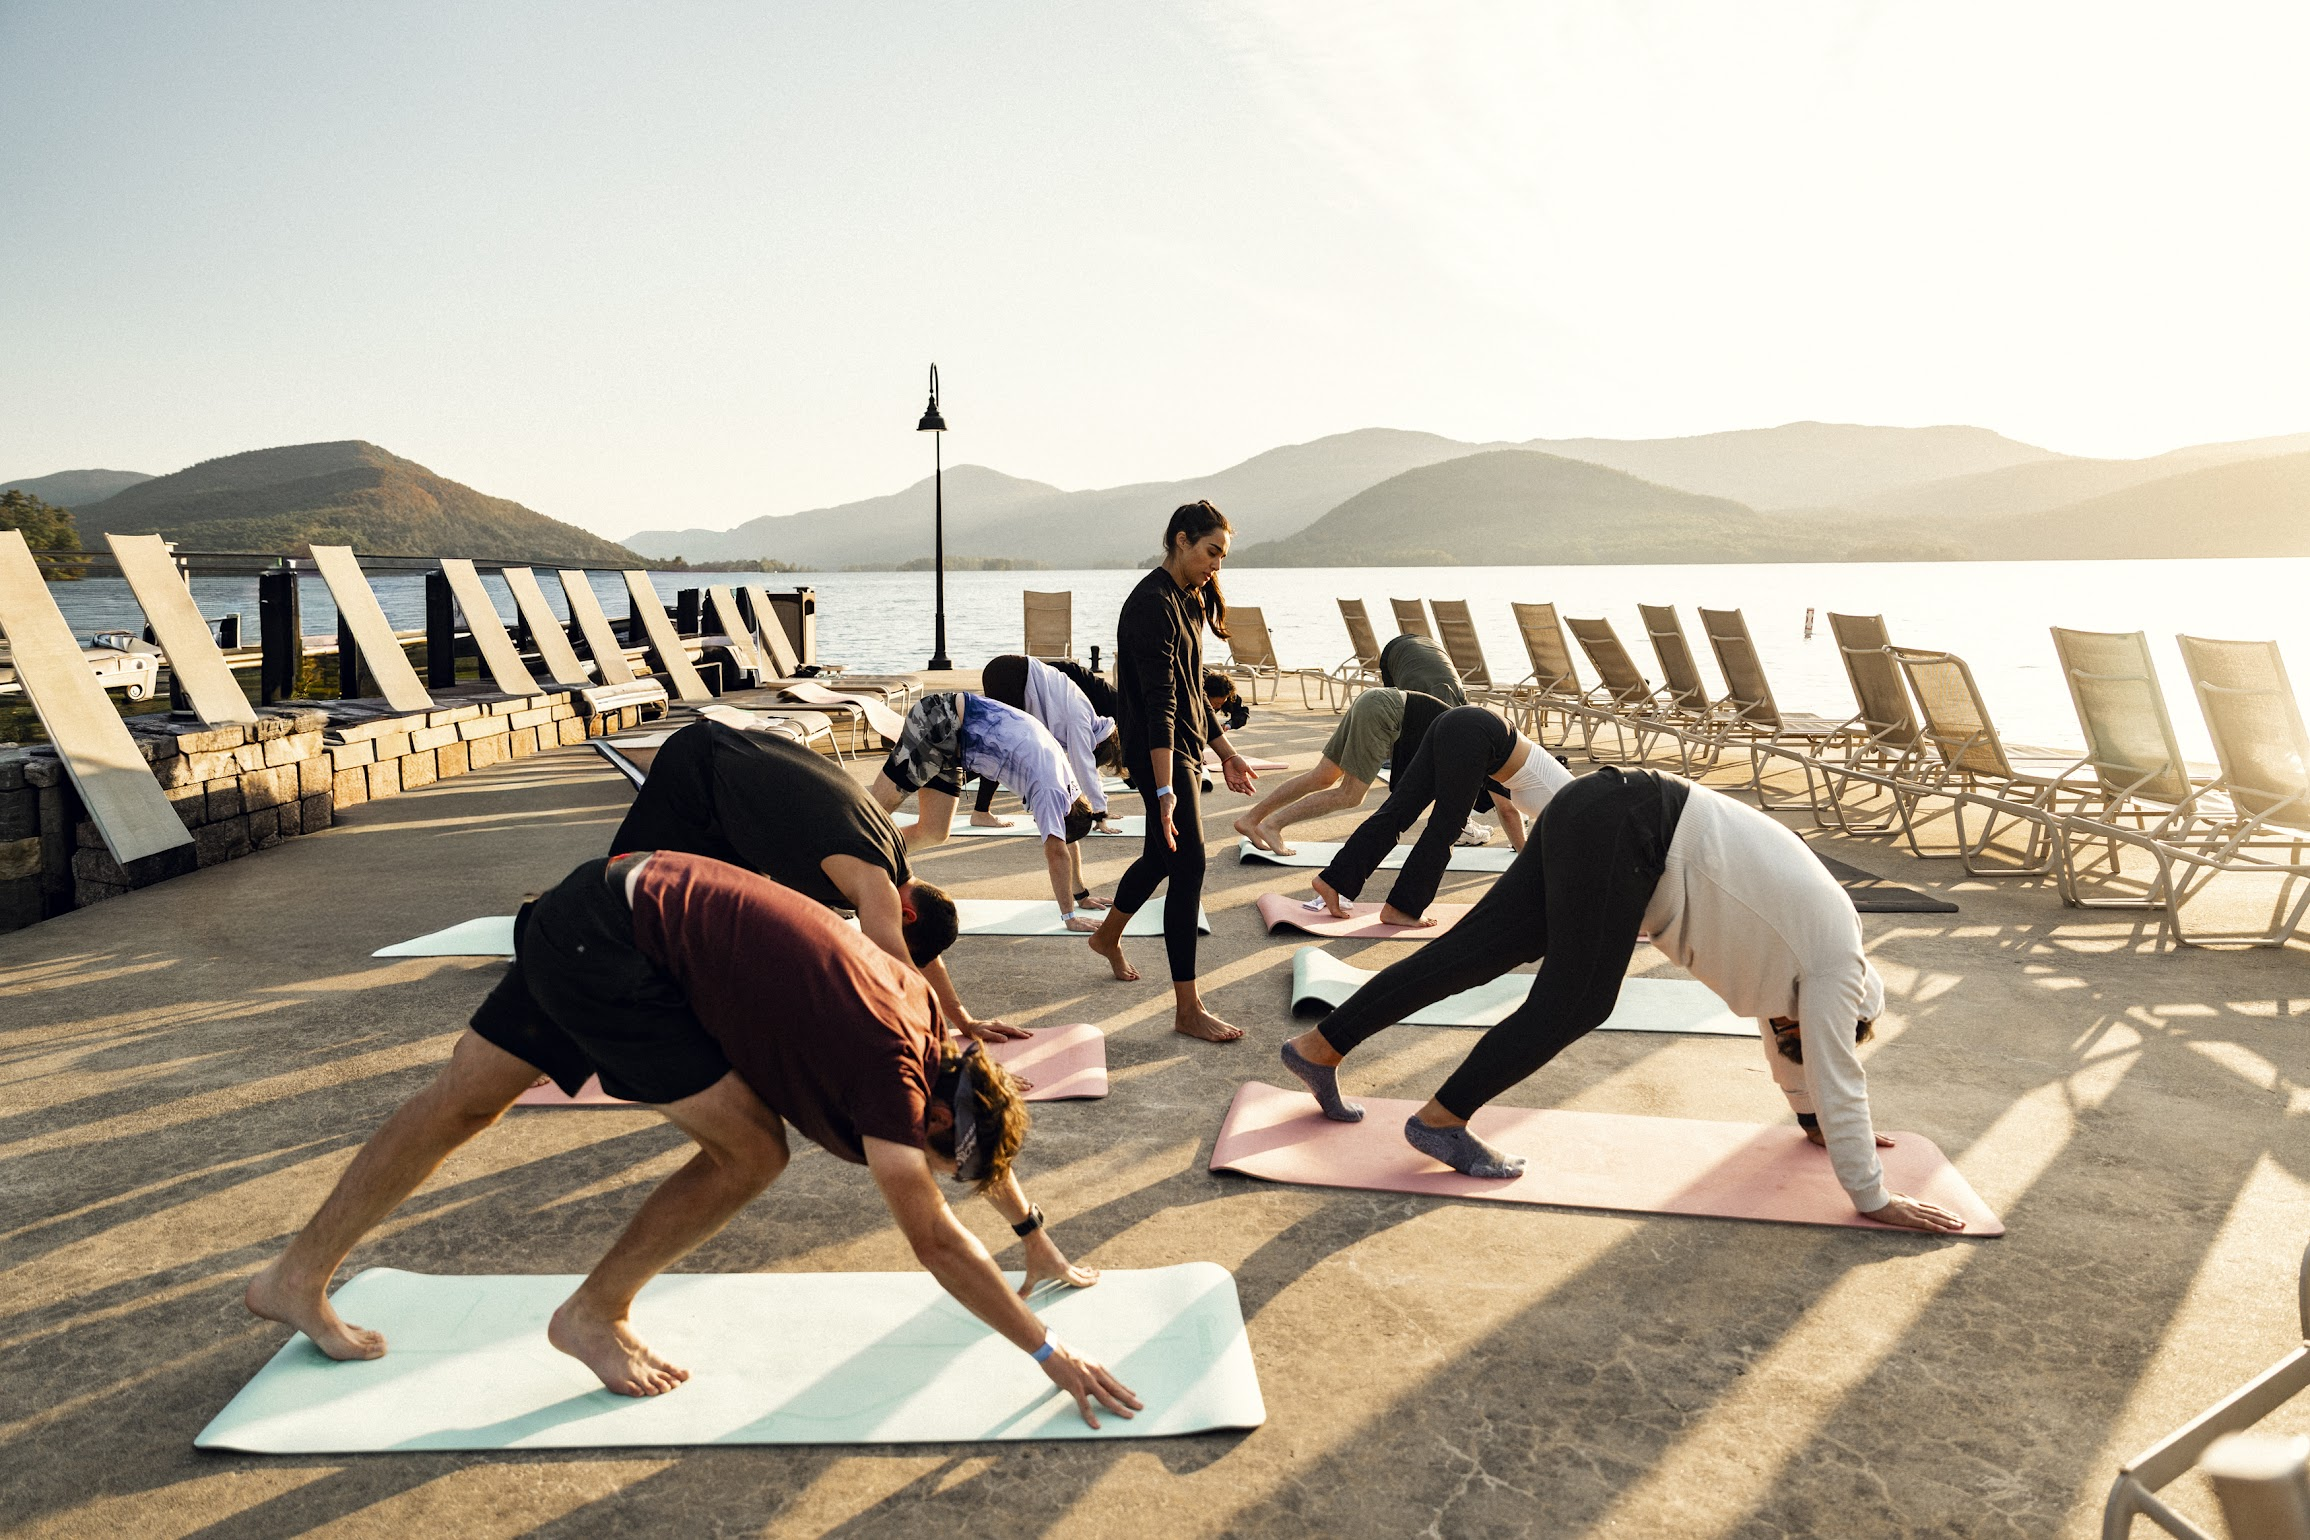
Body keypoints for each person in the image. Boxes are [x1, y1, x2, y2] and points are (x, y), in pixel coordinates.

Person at [246, 851, 1144, 1422]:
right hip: (621, 949)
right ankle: (592, 1314)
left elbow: (980, 1147)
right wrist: (1047, 1351)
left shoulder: (931, 1041)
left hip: (607, 902)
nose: (928, 1167)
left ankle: (292, 1278)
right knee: (752, 1151)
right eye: (937, 1155)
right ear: (935, 1116)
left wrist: (1038, 1242)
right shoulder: (890, 1075)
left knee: (461, 1104)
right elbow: (935, 1241)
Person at [1278, 768, 1967, 1233]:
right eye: (1806, 1031)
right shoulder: (1834, 967)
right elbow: (1835, 1065)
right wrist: (1871, 1195)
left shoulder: (1802, 963)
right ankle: (1442, 1120)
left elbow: (1799, 1054)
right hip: (1631, 825)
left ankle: (1320, 1046)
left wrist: (1811, 1121)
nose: (1788, 1031)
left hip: (1606, 805)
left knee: (1475, 953)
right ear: (1844, 1016)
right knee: (1578, 999)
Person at [608, 719, 1022, 1041]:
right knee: (620, 893)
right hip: (700, 770)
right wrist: (950, 1058)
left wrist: (963, 1020)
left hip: (730, 793)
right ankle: (546, 1031)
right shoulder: (875, 884)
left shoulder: (891, 856)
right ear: (907, 913)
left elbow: (916, 955)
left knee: (737, 929)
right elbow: (901, 968)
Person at [1087, 500, 1258, 1041]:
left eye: (1223, 557)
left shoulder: (1185, 600)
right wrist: (1163, 790)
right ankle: (1188, 1009)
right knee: (1189, 865)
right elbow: (1161, 702)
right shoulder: (1150, 606)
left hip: (1182, 744)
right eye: (1212, 553)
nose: (1217, 567)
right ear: (1181, 540)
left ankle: (1108, 935)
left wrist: (1226, 752)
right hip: (1156, 750)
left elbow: (1189, 690)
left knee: (1163, 854)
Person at [1309, 704, 1572, 926]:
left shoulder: (1567, 798)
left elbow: (1510, 811)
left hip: (1459, 723)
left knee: (1399, 810)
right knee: (1447, 825)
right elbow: (1510, 815)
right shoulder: (1571, 805)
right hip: (1476, 731)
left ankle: (1333, 881)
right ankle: (1402, 907)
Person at [871, 691, 1109, 931]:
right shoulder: (1051, 792)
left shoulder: (1069, 788)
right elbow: (1058, 853)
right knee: (869, 815)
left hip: (953, 745)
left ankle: (870, 856)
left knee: (933, 831)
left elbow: (1068, 842)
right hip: (941, 720)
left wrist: (1082, 896)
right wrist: (1069, 917)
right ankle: (839, 874)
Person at [1233, 687, 1453, 856]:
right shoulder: (1470, 742)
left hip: (1376, 699)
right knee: (1351, 795)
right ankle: (1272, 825)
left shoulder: (1471, 729)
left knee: (1322, 776)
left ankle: (1250, 820)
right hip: (1385, 711)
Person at [971, 653, 1122, 833]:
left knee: (999, 747)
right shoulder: (1080, 722)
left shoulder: (1087, 716)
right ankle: (981, 812)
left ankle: (979, 808)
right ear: (1097, 745)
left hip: (1009, 672)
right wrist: (1100, 811)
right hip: (1011, 674)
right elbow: (1084, 766)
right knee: (1002, 748)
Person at [1380, 633, 1466, 706]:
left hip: (1430, 644)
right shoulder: (1413, 693)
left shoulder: (1458, 692)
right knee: (1392, 705)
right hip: (1395, 650)